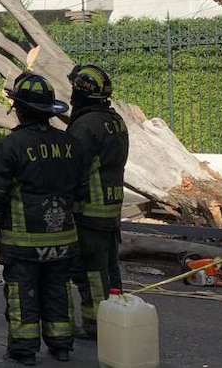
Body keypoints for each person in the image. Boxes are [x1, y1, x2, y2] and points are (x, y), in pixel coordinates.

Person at [0, 73, 90, 365]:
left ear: (19, 109)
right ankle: (61, 345)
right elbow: (82, 191)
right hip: (63, 240)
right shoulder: (71, 145)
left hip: (23, 244)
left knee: (23, 295)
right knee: (58, 291)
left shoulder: (10, 146)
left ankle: (24, 350)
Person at [64, 65, 129, 340]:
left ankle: (97, 325)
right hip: (111, 208)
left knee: (90, 270)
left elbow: (72, 167)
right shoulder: (115, 121)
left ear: (81, 92)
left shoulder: (85, 126)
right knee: (109, 268)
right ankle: (117, 317)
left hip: (89, 210)